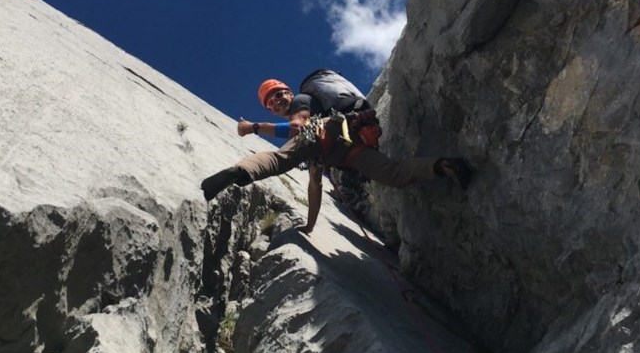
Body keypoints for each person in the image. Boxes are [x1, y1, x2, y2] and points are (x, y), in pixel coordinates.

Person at [200, 76, 472, 234]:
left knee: (281, 159)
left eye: (279, 94)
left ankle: (239, 172)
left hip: (326, 134)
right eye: (271, 102)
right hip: (346, 147)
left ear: (289, 92)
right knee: (395, 175)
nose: (277, 101)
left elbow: (298, 127)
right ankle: (444, 166)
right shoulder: (306, 124)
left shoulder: (301, 101)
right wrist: (309, 225)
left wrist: (255, 127)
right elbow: (314, 186)